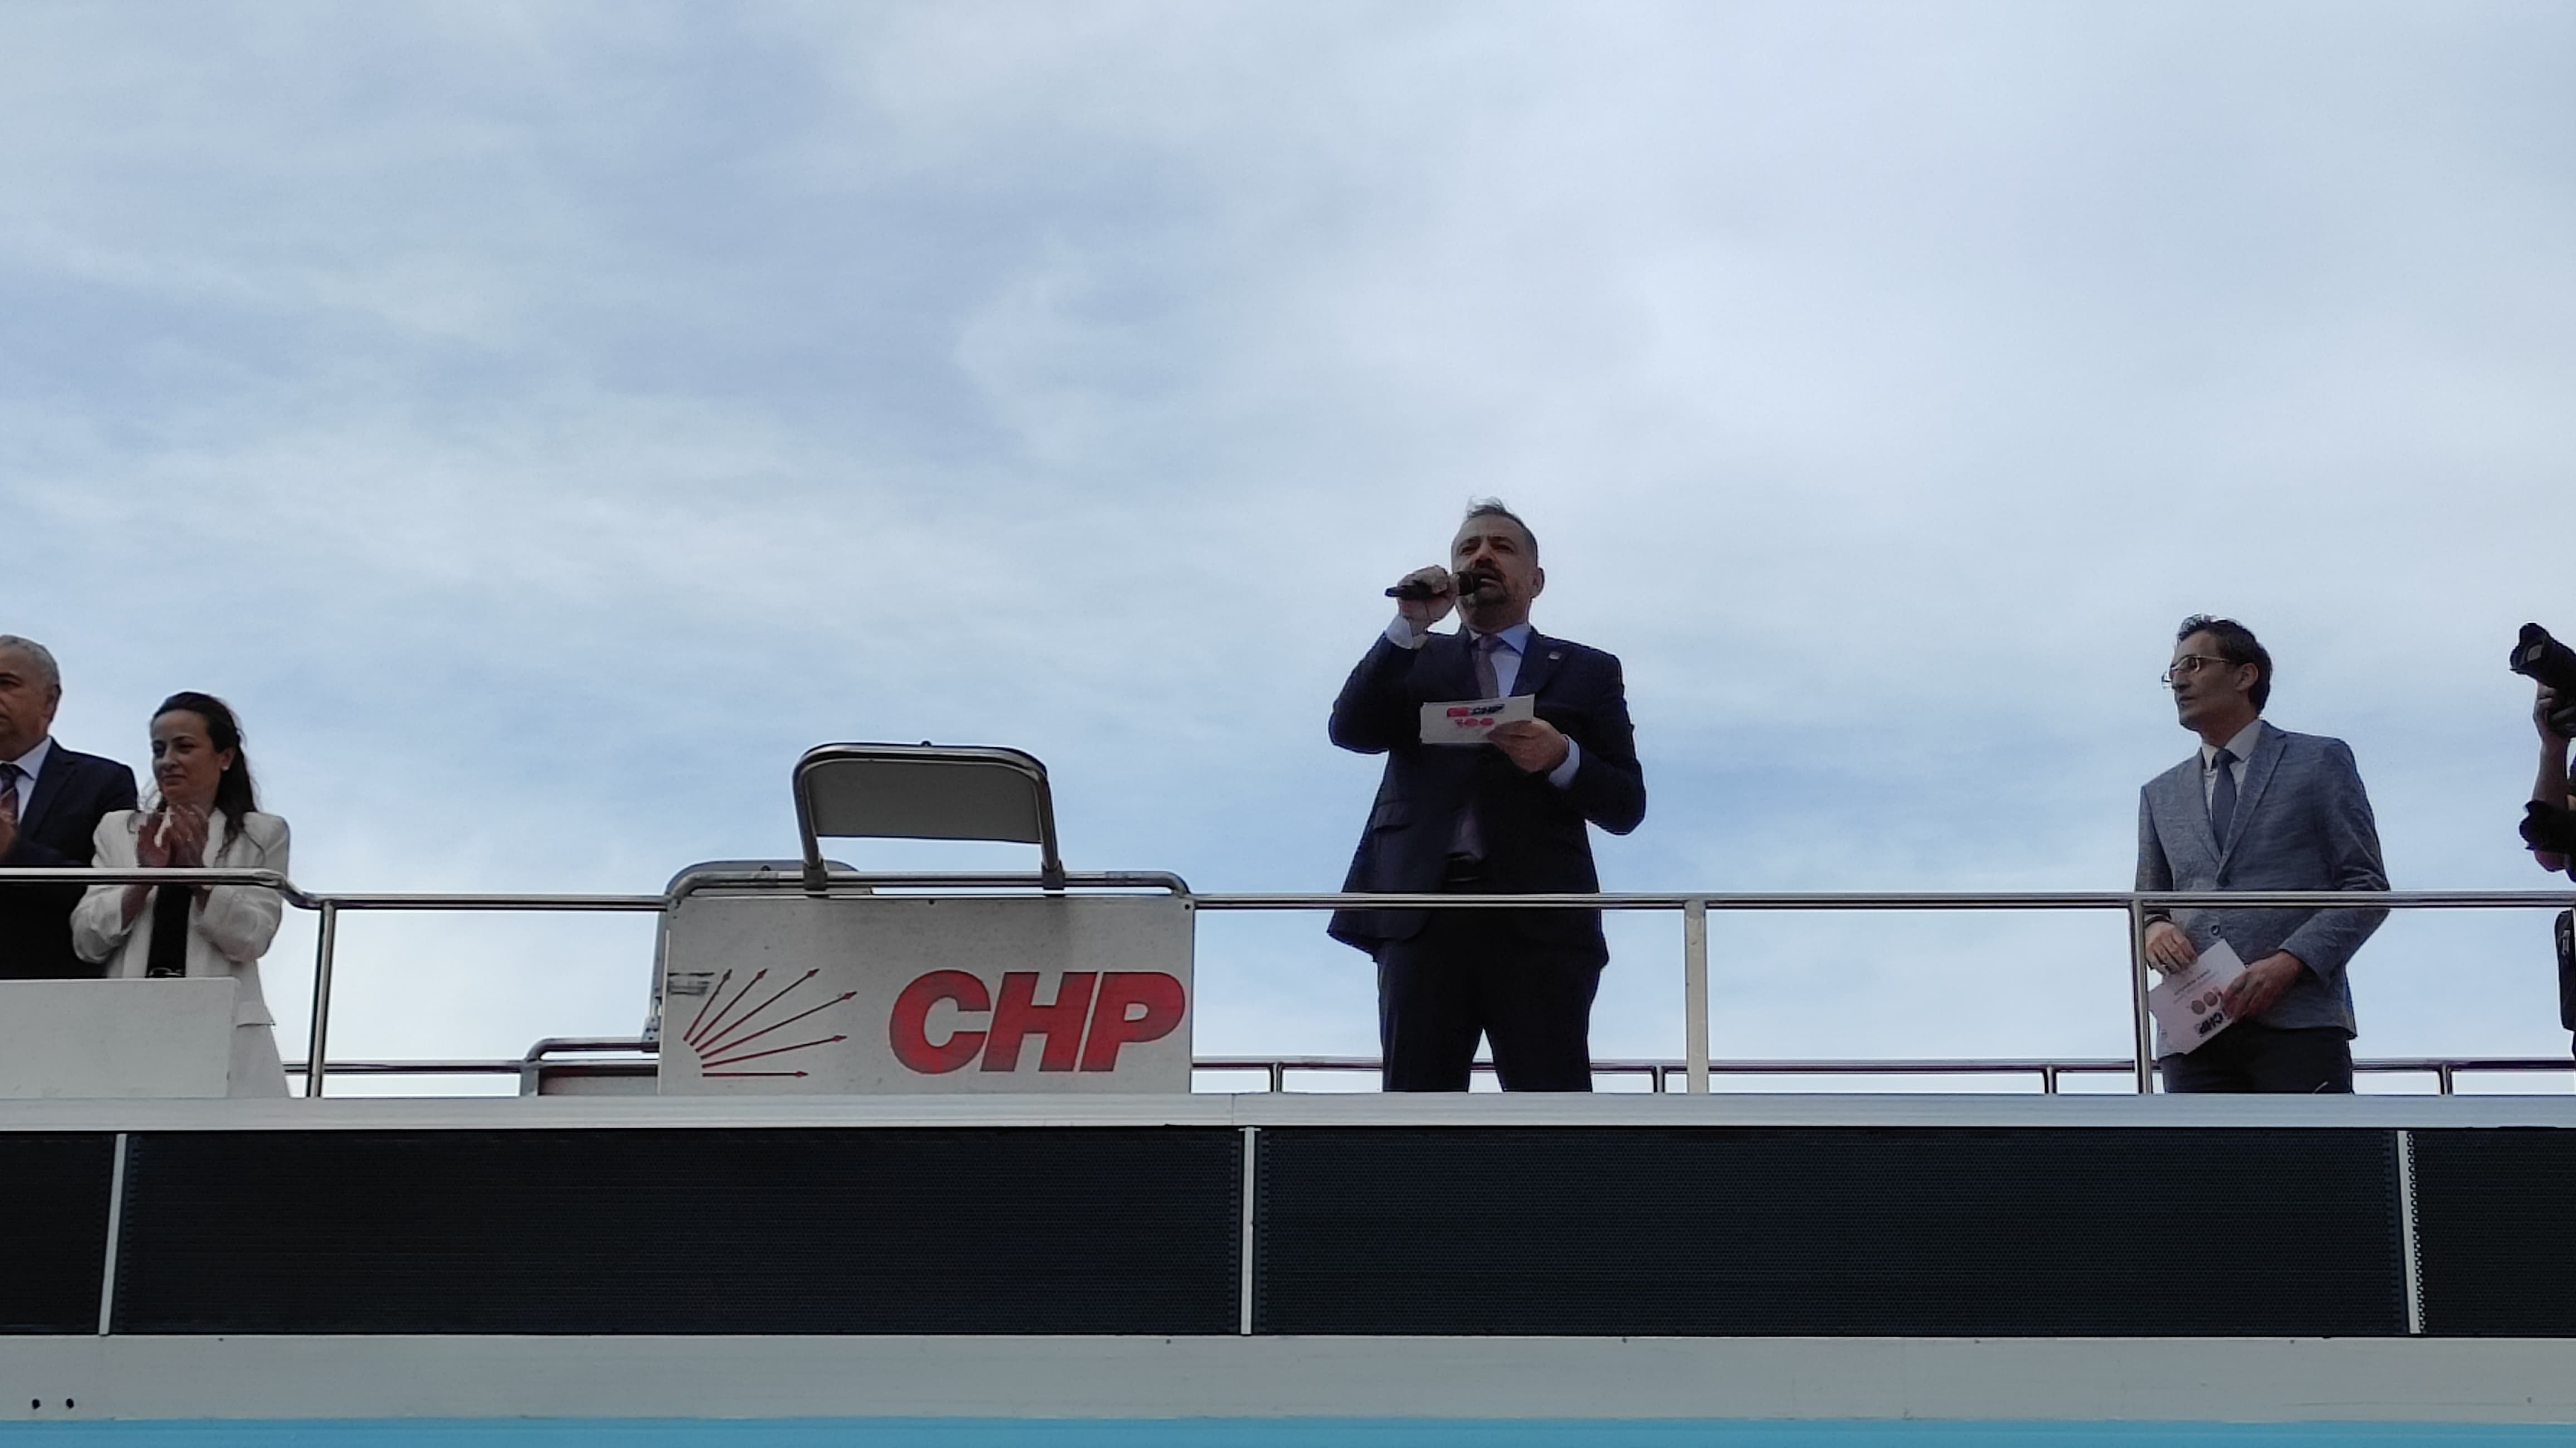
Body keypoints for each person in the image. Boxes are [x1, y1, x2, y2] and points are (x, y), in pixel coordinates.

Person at [1327, 501, 1646, 1091]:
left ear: (1536, 579)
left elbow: (1626, 805)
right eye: (1467, 548)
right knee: (1415, 1113)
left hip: (1539, 922)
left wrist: (1560, 756)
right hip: (1421, 915)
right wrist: (1408, 624)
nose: (1482, 556)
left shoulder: (1588, 670)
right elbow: (1350, 730)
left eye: (1501, 547)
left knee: (1551, 1111)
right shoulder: (1414, 655)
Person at [2137, 616, 2389, 1093]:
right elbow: (2147, 904)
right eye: (2173, 672)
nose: (2180, 681)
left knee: (2312, 1147)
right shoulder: (2159, 794)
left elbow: (2367, 888)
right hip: (2193, 1035)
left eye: (2194, 664)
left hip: (2299, 1021)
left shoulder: (2320, 761)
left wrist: (2289, 962)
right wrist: (2154, 929)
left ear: (2245, 675)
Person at [72, 692, 292, 1097]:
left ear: (225, 757)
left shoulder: (262, 834)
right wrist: (142, 881)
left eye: (184, 747)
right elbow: (88, 940)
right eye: (159, 750)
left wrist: (200, 879)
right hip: (128, 1026)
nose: (167, 761)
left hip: (222, 1029)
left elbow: (252, 939)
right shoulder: (119, 829)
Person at [0, 635, 140, 979]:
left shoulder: (103, 782)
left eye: (6, 684)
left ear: (50, 701)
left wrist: (14, 852)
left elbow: (110, 895)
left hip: (54, 991)